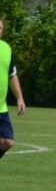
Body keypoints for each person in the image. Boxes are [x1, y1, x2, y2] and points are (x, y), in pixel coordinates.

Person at [0, 18, 26, 161]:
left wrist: (19, 98)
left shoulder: (6, 48)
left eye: (0, 28)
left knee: (7, 141)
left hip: (1, 108)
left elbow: (12, 75)